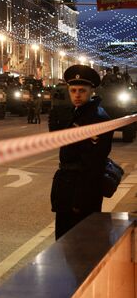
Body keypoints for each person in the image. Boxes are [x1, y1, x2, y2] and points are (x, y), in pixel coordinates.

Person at [50, 64, 113, 240]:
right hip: (66, 190)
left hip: (81, 194)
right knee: (63, 245)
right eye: (73, 90)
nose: (77, 95)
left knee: (82, 248)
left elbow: (94, 165)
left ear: (91, 91)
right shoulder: (75, 113)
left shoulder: (98, 119)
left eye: (82, 91)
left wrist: (79, 201)